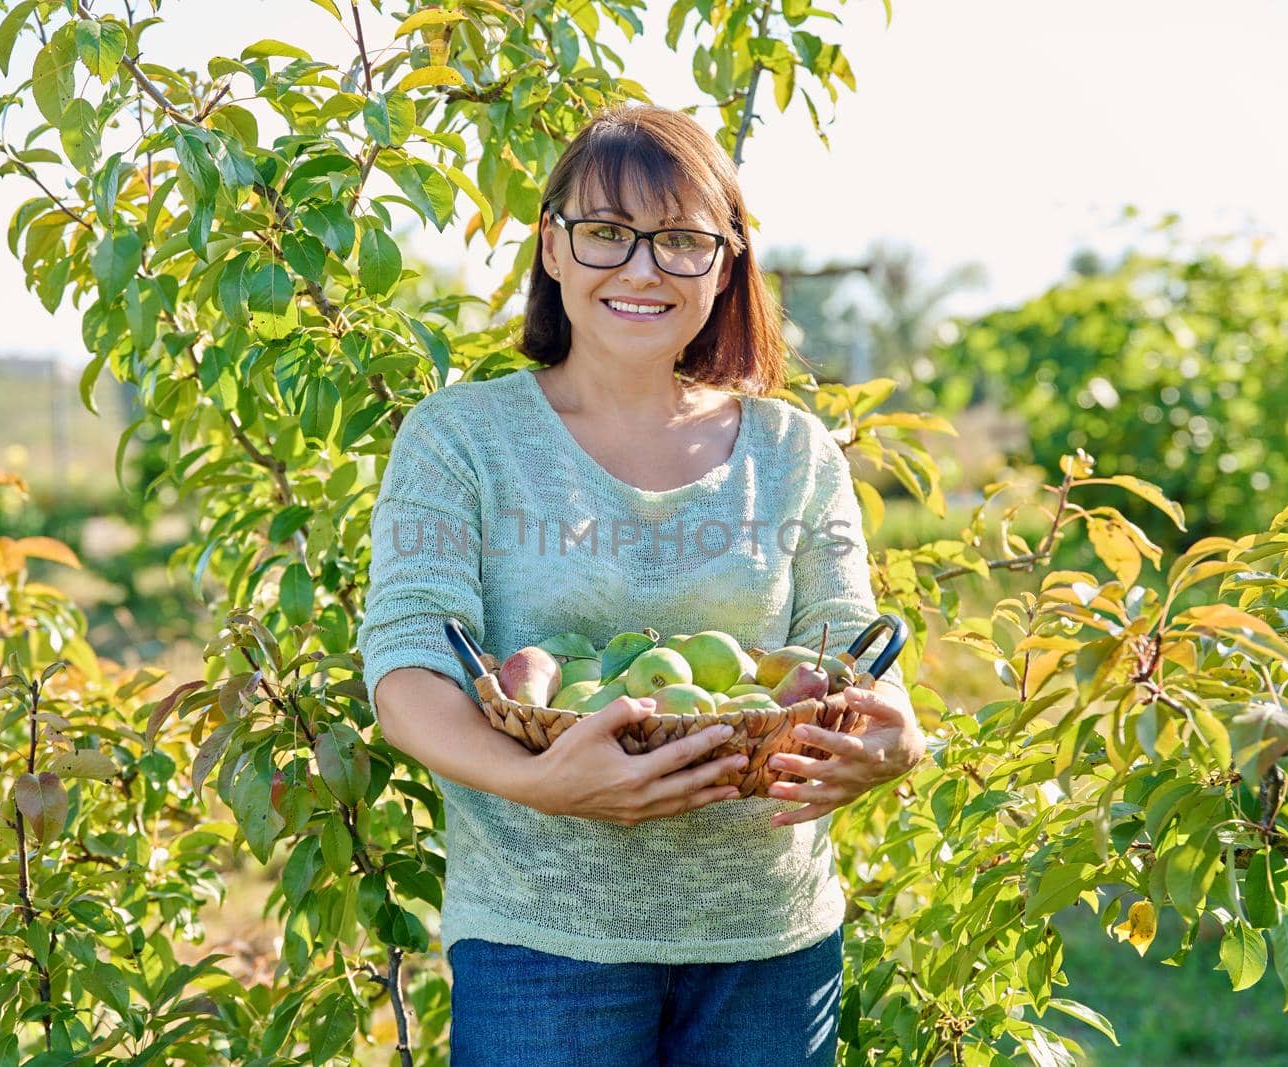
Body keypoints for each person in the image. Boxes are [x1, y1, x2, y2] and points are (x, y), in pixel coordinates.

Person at [355, 103, 927, 1065]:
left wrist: (896, 735)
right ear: (552, 245)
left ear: (727, 261)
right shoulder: (463, 440)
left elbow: (848, 641)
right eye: (608, 233)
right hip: (542, 942)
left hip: (767, 944)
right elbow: (409, 665)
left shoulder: (792, 451)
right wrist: (542, 782)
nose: (642, 268)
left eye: (680, 241)